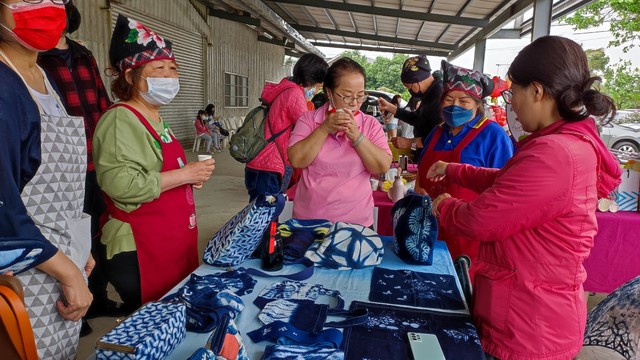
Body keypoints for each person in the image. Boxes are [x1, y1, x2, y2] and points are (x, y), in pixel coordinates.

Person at [427, 35, 622, 360]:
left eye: (513, 92)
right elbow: (510, 185)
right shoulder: (566, 142)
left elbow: (481, 220)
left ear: (536, 90)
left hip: (530, 323)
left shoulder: (555, 152)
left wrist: (444, 206)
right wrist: (456, 171)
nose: (512, 103)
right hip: (531, 309)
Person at [93, 15, 215, 310]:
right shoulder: (121, 118)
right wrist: (183, 174)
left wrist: (187, 176)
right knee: (153, 320)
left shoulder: (157, 117)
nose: (169, 76)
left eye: (173, 69)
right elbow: (121, 184)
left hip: (171, 240)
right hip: (142, 245)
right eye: (158, 69)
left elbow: (159, 172)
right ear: (129, 76)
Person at [0, 0, 93, 357]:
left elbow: (55, 183)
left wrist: (77, 247)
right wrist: (66, 270)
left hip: (58, 258)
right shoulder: (3, 86)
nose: (46, 7)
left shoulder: (43, 77)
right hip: (24, 271)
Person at [36, 0, 123, 335]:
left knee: (95, 234)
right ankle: (76, 308)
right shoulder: (35, 57)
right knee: (65, 237)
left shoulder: (83, 54)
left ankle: (98, 296)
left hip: (93, 161)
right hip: (58, 168)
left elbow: (101, 102)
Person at [415, 61, 514, 269]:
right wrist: (418, 189)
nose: (454, 106)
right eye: (449, 99)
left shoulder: (493, 135)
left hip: (468, 235)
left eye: (464, 101)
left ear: (477, 104)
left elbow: (504, 190)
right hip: (430, 230)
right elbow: (422, 171)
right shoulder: (437, 132)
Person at [288, 58, 392, 227]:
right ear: (329, 93)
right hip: (309, 221)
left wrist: (357, 137)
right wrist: (324, 129)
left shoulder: (370, 124)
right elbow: (297, 160)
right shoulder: (309, 120)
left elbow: (382, 167)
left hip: (356, 223)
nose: (355, 103)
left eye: (360, 96)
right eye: (347, 96)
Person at [245, 53, 328, 200]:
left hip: (259, 163)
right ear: (312, 80)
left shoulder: (284, 87)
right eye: (318, 85)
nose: (317, 90)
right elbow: (309, 128)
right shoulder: (294, 94)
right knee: (266, 215)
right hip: (270, 165)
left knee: (258, 213)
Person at [378, 55, 443, 152]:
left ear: (417, 82)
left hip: (435, 158)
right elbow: (417, 119)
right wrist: (389, 107)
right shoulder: (429, 94)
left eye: (409, 88)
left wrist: (410, 143)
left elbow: (441, 138)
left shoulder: (440, 97)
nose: (409, 91)